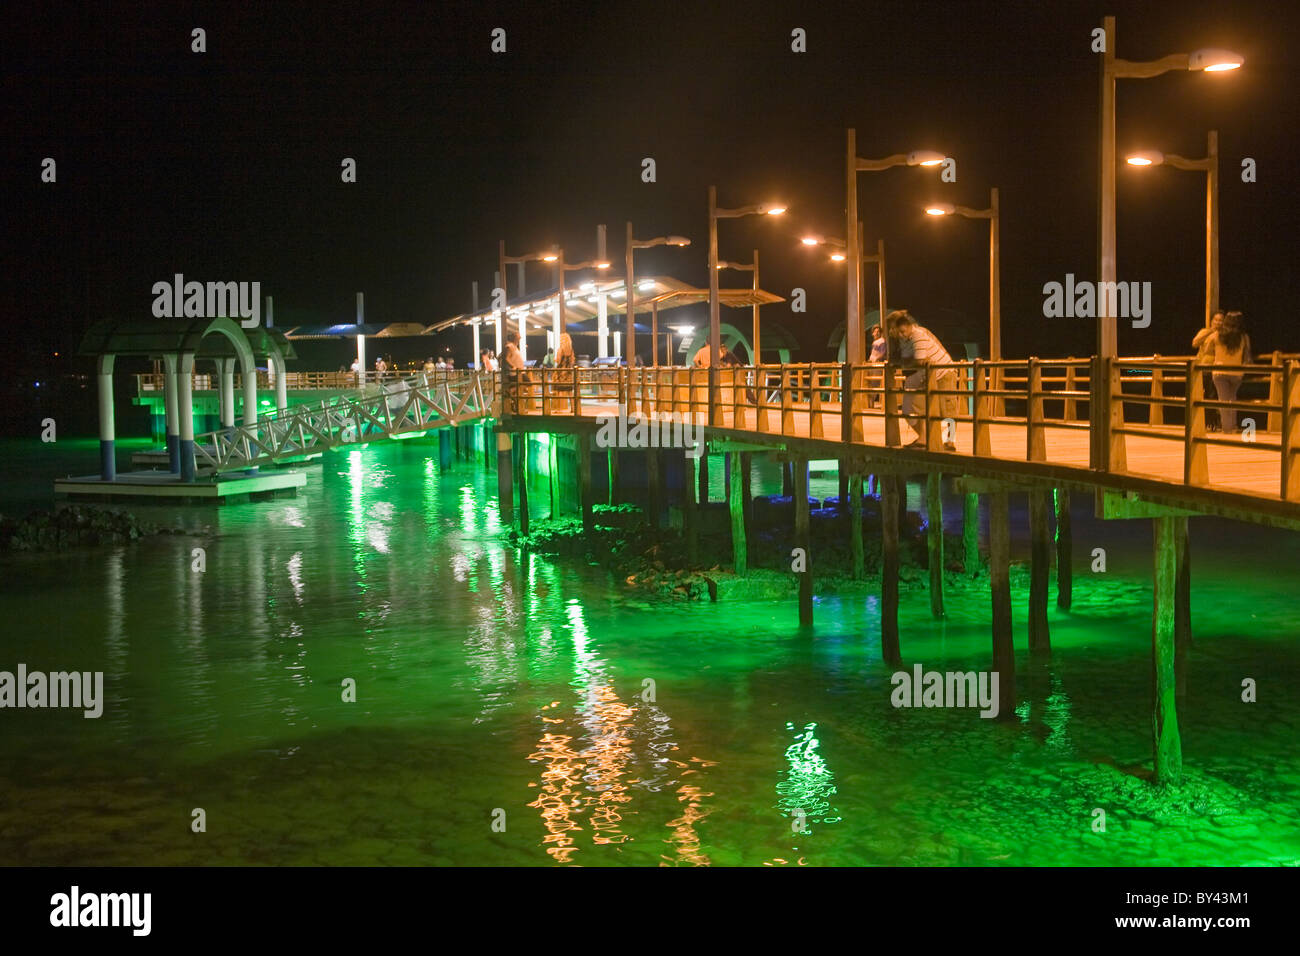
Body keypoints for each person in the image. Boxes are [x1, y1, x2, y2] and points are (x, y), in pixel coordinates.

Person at [886, 310, 959, 450]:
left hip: (944, 372)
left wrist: (903, 362)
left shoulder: (918, 335)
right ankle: (924, 438)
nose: (891, 331)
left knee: (946, 409)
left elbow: (918, 361)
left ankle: (949, 443)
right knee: (918, 406)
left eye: (892, 327)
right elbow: (908, 360)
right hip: (927, 375)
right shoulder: (903, 339)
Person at [1205, 310, 1252, 433]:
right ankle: (1233, 426)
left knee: (1223, 400)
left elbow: (1207, 349)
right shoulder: (1244, 337)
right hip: (1237, 372)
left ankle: (1227, 429)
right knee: (1233, 398)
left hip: (1219, 372)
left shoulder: (1217, 335)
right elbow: (1247, 356)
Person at [1192, 313, 1223, 431]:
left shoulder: (1223, 334)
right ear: (1212, 321)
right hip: (1201, 367)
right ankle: (1200, 423)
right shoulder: (1205, 331)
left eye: (1221, 320)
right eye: (1216, 320)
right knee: (1200, 396)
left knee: (1212, 396)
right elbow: (1195, 343)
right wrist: (1210, 332)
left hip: (1214, 368)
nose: (1218, 323)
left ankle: (1212, 423)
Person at [867, 323, 888, 408]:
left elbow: (883, 353)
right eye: (875, 332)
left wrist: (877, 358)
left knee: (875, 383)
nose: (876, 333)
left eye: (878, 331)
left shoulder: (882, 341)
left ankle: (871, 404)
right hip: (872, 364)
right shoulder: (875, 342)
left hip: (877, 364)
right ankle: (870, 404)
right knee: (870, 383)